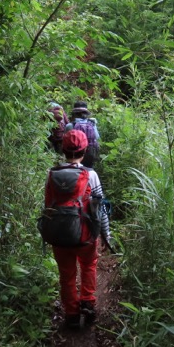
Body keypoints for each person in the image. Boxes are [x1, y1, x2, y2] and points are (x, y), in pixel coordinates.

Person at [45, 129, 111, 329]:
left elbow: (47, 206)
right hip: (85, 235)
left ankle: (72, 315)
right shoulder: (90, 174)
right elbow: (100, 210)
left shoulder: (52, 174)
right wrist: (106, 235)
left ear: (63, 150)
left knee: (66, 275)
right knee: (89, 266)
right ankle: (88, 304)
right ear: (84, 149)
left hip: (60, 237)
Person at [65, 101, 100, 168]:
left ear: (74, 113)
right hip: (90, 153)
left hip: (75, 154)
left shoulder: (70, 126)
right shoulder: (92, 124)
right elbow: (97, 137)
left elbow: (66, 140)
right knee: (89, 170)